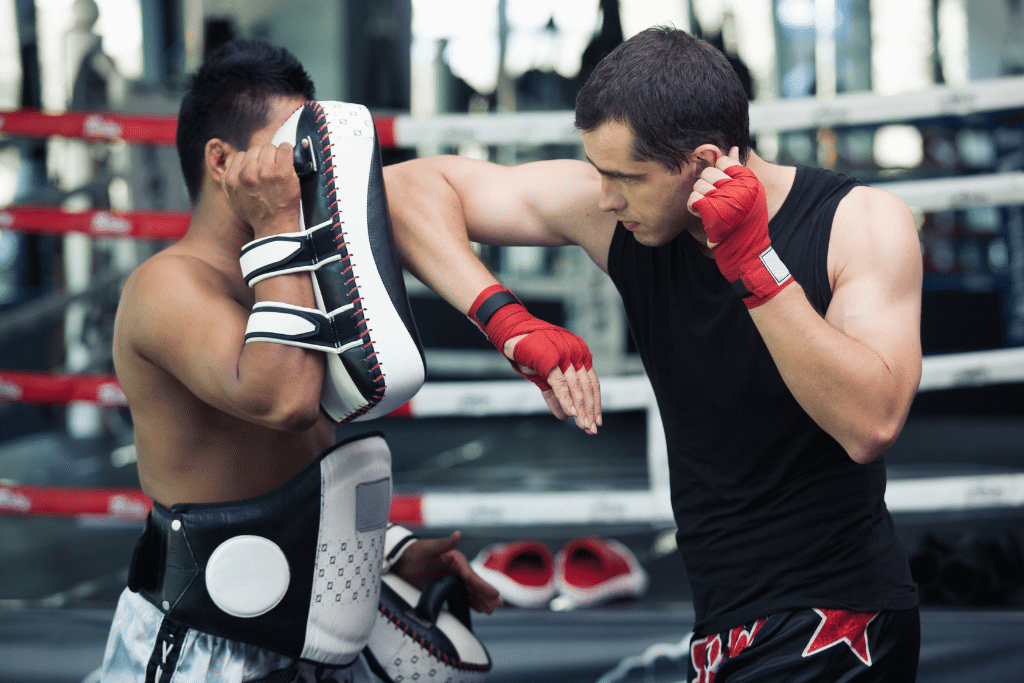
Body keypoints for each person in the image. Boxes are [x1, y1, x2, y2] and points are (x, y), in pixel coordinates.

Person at [383, 26, 923, 682]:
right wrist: (506, 318)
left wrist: (753, 263)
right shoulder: (626, 216)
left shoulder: (858, 222)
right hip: (724, 623)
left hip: (838, 621)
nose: (606, 197)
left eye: (624, 177)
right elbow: (403, 192)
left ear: (702, 161)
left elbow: (870, 423)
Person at [99, 40, 504, 682]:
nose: (306, 167)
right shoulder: (166, 287)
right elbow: (284, 402)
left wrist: (386, 557)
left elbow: (298, 462)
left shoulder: (289, 276)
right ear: (222, 160)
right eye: (289, 147)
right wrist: (281, 227)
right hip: (203, 648)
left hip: (309, 640)